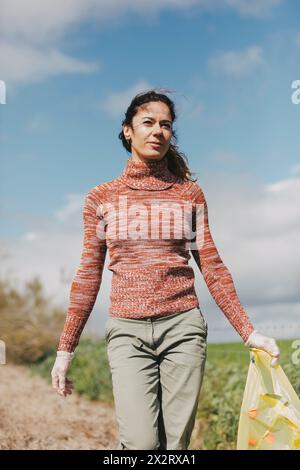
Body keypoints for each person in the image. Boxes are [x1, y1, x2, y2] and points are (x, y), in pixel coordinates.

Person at [51, 89, 280, 450]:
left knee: (176, 447)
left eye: (166, 125)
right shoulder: (101, 198)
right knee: (141, 444)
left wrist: (248, 332)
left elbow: (213, 266)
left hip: (183, 328)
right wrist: (66, 349)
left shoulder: (189, 194)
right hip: (127, 332)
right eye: (148, 122)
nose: (158, 131)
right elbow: (87, 275)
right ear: (128, 130)